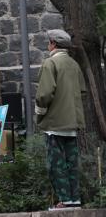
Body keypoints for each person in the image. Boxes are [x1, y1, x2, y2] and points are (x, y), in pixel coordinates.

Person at [35, 29, 86, 209]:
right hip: (72, 122)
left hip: (55, 123)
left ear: (53, 44)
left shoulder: (50, 63)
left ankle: (64, 200)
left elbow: (44, 95)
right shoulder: (74, 64)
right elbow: (82, 91)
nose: (48, 45)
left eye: (49, 42)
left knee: (55, 164)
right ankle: (74, 199)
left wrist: (39, 116)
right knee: (71, 163)